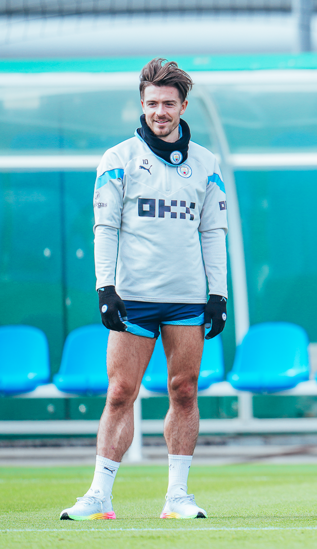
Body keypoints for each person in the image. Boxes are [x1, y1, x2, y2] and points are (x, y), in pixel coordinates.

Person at [60, 58, 228, 520]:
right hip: (132, 297)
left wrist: (220, 294)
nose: (160, 111)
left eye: (169, 103)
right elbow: (104, 227)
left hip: (188, 300)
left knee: (184, 391)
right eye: (152, 102)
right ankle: (98, 497)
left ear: (183, 106)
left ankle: (177, 497)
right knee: (120, 393)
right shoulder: (118, 159)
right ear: (142, 103)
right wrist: (105, 288)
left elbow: (213, 233)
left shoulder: (207, 163)